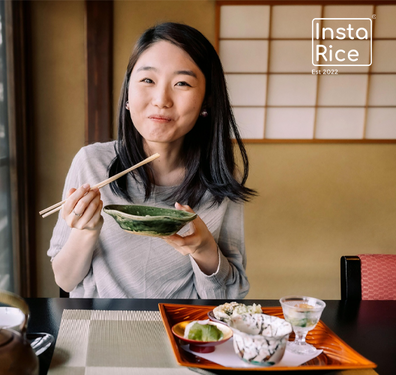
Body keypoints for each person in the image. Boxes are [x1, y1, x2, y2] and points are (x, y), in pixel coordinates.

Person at [47, 22, 256, 299]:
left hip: (182, 330)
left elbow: (229, 297)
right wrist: (86, 231)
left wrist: (204, 249)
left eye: (182, 83)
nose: (161, 99)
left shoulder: (218, 178)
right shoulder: (91, 163)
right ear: (128, 95)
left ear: (207, 101)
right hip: (102, 330)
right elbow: (65, 280)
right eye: (147, 80)